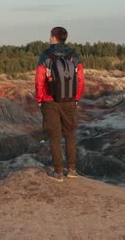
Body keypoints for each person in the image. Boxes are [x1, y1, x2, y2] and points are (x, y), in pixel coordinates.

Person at [35, 27, 85, 182]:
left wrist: (39, 99)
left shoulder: (45, 55)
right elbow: (81, 80)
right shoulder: (74, 55)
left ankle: (57, 172)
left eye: (51, 35)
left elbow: (39, 80)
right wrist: (76, 98)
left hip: (50, 101)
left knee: (55, 136)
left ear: (54, 38)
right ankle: (71, 169)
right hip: (69, 101)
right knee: (70, 134)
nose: (49, 38)